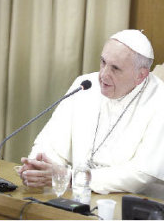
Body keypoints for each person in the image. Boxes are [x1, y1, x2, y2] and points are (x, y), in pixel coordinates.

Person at [18, 29, 164, 194]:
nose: (103, 74)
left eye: (115, 68)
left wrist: (72, 178)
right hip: (79, 196)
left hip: (134, 207)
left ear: (141, 76)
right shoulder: (85, 85)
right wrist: (38, 168)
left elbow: (141, 174)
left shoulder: (159, 101)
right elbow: (51, 142)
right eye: (103, 62)